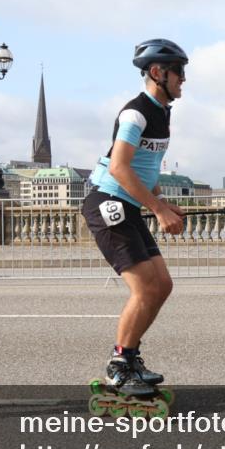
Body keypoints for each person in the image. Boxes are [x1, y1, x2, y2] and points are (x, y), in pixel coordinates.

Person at [81, 39, 188, 397]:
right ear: (158, 73)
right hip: (108, 201)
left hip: (128, 203)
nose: (183, 80)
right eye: (179, 72)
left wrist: (163, 202)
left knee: (163, 285)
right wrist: (157, 210)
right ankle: (119, 366)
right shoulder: (135, 114)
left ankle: (130, 358)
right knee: (145, 287)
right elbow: (119, 167)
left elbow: (148, 169)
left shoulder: (163, 113)